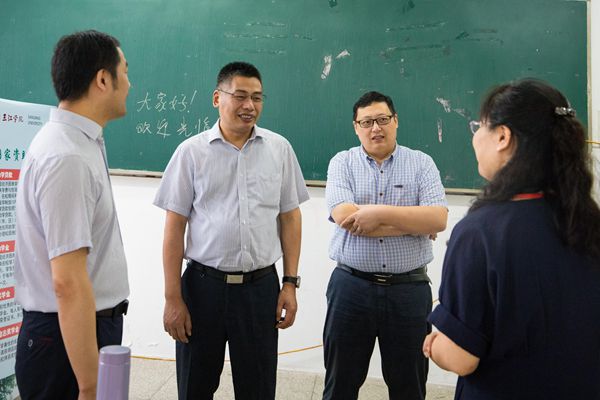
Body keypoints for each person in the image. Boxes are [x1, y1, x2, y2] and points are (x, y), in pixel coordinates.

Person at [423, 79, 600, 399]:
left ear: (503, 137)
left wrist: (435, 345)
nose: (475, 137)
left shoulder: (480, 233)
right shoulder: (588, 220)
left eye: (479, 126)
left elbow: (461, 358)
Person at [154, 61, 309, 400]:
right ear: (217, 98)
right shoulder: (191, 153)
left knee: (258, 388)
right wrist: (172, 298)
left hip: (260, 289)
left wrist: (290, 283)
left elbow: (290, 218)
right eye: (240, 96)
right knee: (195, 386)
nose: (249, 105)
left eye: (257, 97)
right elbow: (174, 230)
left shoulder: (279, 149)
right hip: (202, 288)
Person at [14, 30, 131, 399]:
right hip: (64, 340)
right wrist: (90, 386)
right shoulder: (67, 156)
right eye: (125, 72)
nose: (129, 84)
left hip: (78, 329)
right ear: (103, 79)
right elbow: (67, 282)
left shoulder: (81, 142)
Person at [324, 91, 448, 400]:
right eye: (367, 122)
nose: (375, 128)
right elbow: (345, 217)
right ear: (356, 127)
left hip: (408, 290)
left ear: (396, 121)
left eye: (382, 119)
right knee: (340, 383)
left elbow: (437, 219)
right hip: (351, 287)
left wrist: (376, 215)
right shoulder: (342, 162)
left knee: (410, 386)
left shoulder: (421, 163)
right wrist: (413, 222)